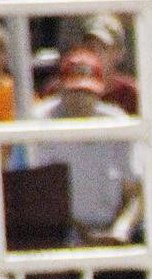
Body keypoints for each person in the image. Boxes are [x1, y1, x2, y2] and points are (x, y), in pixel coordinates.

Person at [25, 47, 140, 243]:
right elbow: (39, 192)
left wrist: (120, 229)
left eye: (87, 92)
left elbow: (135, 191)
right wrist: (84, 234)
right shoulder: (41, 120)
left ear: (99, 90)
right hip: (58, 232)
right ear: (61, 88)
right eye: (74, 91)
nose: (80, 99)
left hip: (111, 231)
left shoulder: (116, 122)